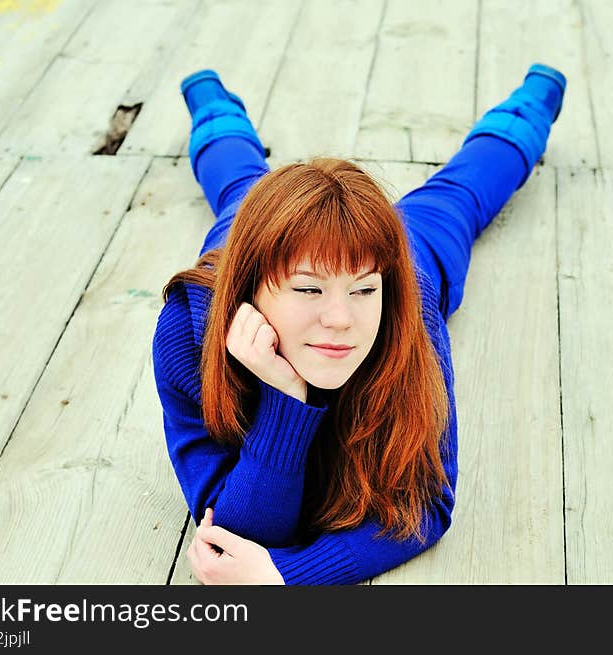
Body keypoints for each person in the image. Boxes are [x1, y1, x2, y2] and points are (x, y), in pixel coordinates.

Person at [152, 63, 566, 585]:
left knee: (460, 195)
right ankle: (210, 100)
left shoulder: (403, 302)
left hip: (406, 243)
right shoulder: (188, 329)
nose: (341, 320)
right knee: (238, 181)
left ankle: (533, 101)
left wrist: (289, 578)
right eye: (308, 290)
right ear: (251, 289)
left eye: (362, 292)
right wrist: (284, 396)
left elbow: (429, 506)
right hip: (257, 231)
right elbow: (235, 536)